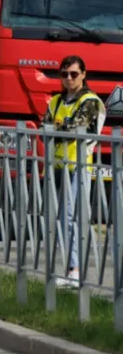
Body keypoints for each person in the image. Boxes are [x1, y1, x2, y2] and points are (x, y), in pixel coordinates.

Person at [47, 55, 105, 285]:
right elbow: (45, 126)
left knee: (72, 217)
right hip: (59, 164)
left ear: (83, 75)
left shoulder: (90, 101)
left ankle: (76, 269)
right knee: (61, 218)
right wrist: (59, 128)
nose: (68, 79)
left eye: (73, 74)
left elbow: (75, 128)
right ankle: (70, 269)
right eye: (64, 74)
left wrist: (59, 128)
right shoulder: (55, 102)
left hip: (79, 165)